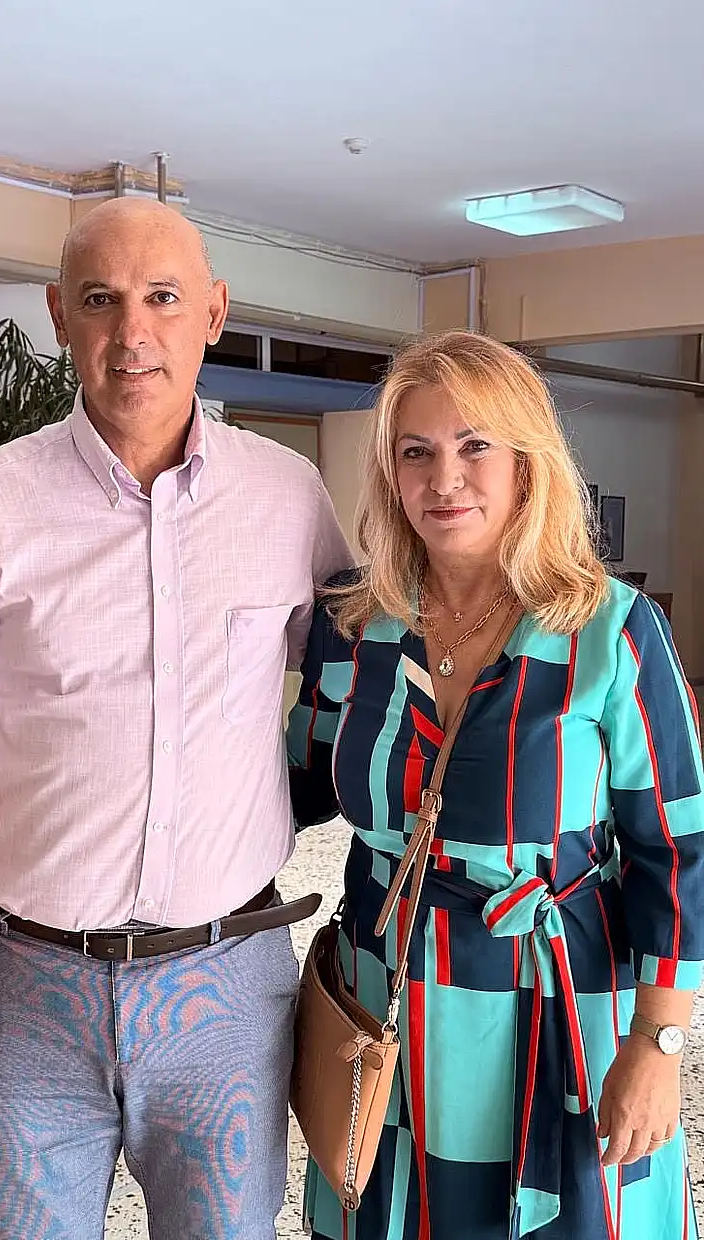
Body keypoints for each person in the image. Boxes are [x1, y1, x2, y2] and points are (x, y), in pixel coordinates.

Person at [0, 197, 352, 1240]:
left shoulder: (289, 497)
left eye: (164, 298)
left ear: (214, 312)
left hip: (225, 992)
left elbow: (370, 667)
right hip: (19, 991)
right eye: (100, 300)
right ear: (58, 315)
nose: (133, 333)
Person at [287, 330, 703, 1240]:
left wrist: (658, 1044)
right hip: (387, 1001)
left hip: (560, 1007)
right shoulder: (353, 626)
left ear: (527, 461)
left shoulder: (611, 632)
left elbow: (678, 852)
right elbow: (287, 786)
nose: (445, 479)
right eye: (416, 452)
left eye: (475, 446)